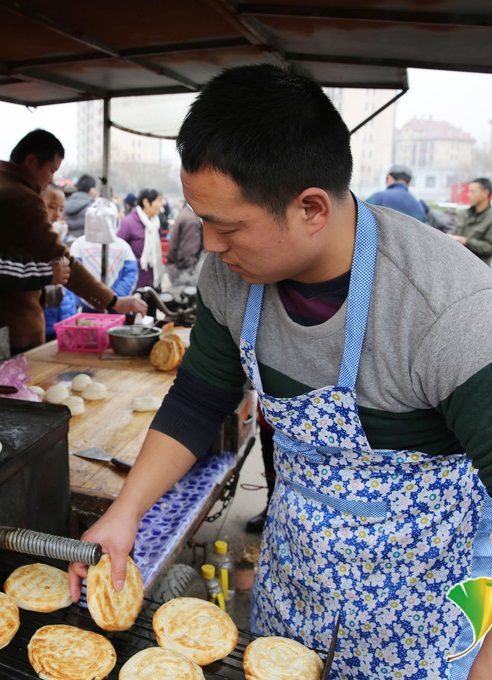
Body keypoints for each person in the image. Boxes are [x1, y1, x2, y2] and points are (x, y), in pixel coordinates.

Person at [68, 65, 492, 679]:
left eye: (229, 225)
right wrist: (125, 513)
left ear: (311, 207)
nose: (211, 245)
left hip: (420, 616)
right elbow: (198, 397)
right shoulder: (233, 277)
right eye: (201, 218)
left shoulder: (446, 311)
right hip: (295, 587)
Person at [0, 129, 147, 353]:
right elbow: (62, 260)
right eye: (51, 171)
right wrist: (112, 301)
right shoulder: (23, 198)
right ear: (31, 162)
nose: (51, 179)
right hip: (14, 321)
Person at [70, 219, 138, 312]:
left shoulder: (123, 246)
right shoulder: (79, 245)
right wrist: (92, 300)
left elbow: (130, 274)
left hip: (116, 309)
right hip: (85, 311)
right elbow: (75, 275)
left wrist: (117, 298)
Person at [40, 184, 78, 340]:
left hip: (64, 322)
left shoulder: (61, 244)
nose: (57, 214)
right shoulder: (26, 243)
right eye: (51, 207)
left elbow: (73, 276)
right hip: (42, 326)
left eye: (61, 210)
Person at [118, 188, 164, 290]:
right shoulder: (128, 223)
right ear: (146, 202)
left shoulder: (155, 224)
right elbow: (118, 251)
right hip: (135, 282)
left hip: (153, 280)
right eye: (158, 200)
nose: (161, 204)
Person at [450, 177, 492, 265]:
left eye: (473, 192)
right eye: (469, 191)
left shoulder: (489, 218)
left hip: (479, 268)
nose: (469, 195)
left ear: (485, 193)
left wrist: (467, 242)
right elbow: (454, 231)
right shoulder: (465, 214)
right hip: (457, 264)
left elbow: (489, 247)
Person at [165, 201, 204, 287]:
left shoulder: (186, 213)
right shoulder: (191, 221)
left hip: (176, 270)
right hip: (182, 275)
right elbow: (187, 257)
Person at [63, 173, 97, 242]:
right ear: (91, 190)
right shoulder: (93, 207)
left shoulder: (65, 203)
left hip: (66, 243)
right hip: (85, 245)